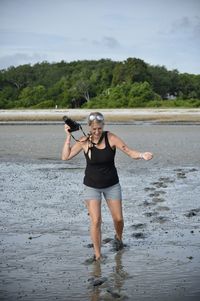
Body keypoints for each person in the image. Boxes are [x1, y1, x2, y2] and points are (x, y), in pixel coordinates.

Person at [61, 112, 153, 261]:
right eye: (94, 129)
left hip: (112, 185)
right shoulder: (85, 140)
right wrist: (68, 136)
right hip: (91, 186)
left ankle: (118, 237)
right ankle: (98, 254)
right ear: (89, 127)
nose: (97, 132)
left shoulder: (111, 138)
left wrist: (142, 155)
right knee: (96, 221)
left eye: (99, 128)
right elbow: (66, 157)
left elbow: (129, 152)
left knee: (118, 219)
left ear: (103, 126)